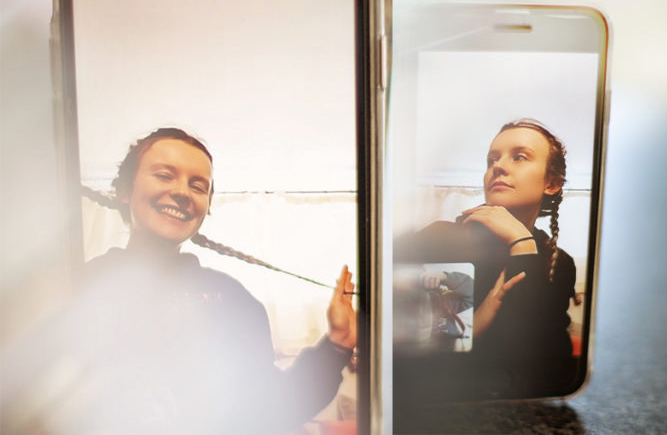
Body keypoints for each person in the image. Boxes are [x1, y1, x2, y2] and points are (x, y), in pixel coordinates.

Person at [51, 128, 357, 434]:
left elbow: (273, 409)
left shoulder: (234, 299)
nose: (183, 192)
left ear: (207, 206)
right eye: (164, 175)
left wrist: (338, 345)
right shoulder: (74, 287)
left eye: (198, 185)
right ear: (124, 190)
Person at [395, 119, 577, 374]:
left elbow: (550, 365)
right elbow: (406, 356)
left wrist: (521, 244)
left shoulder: (557, 262)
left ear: (552, 183)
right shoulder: (437, 238)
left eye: (520, 157)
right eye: (492, 160)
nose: (499, 166)